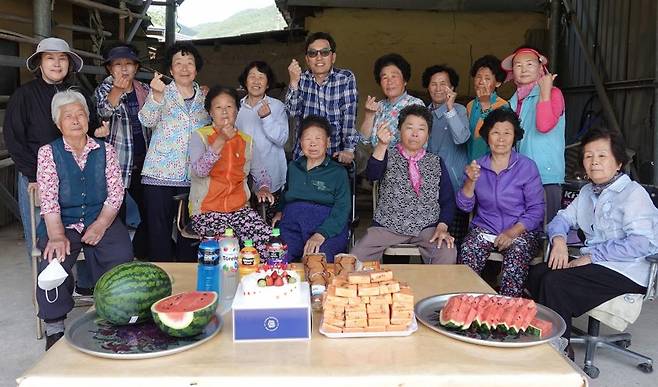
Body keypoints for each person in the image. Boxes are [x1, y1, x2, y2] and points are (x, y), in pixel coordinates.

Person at [528, 125, 658, 357]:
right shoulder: (588, 191)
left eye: (601, 156)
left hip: (626, 270)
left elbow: (643, 243)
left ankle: (560, 353)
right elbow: (562, 218)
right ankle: (547, 336)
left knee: (556, 283)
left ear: (618, 162)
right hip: (595, 265)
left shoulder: (632, 193)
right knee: (538, 273)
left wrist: (591, 256)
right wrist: (558, 240)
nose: (594, 162)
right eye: (588, 156)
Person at [3, 37, 102, 294]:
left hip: (77, 175)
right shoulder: (23, 96)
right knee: (41, 235)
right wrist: (33, 174)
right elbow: (14, 139)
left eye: (62, 58)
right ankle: (49, 293)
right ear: (40, 63)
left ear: (69, 63)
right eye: (50, 58)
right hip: (36, 176)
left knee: (82, 226)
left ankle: (84, 285)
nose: (57, 64)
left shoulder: (79, 95)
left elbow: (91, 128)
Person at [35, 90, 133, 350]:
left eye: (80, 114)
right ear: (58, 123)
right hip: (62, 222)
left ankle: (112, 315)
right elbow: (49, 199)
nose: (76, 120)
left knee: (120, 253)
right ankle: (55, 327)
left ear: (88, 119)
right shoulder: (48, 153)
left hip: (98, 216)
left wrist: (101, 224)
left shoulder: (105, 149)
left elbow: (115, 192)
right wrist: (56, 234)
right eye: (69, 116)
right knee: (52, 261)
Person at [350, 105, 457, 264]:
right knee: (356, 256)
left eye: (421, 129)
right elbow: (372, 174)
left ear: (428, 135)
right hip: (387, 226)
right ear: (400, 130)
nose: (415, 133)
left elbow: (448, 200)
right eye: (409, 127)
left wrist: (442, 227)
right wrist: (381, 145)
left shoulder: (436, 162)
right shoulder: (387, 154)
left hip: (427, 228)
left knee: (447, 253)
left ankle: (435, 289)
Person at [457, 108, 545, 297]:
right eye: (496, 132)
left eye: (507, 133)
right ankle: (467, 304)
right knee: (468, 248)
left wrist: (512, 232)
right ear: (487, 135)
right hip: (486, 228)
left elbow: (536, 210)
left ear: (515, 136)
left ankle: (508, 311)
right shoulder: (478, 166)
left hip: (521, 231)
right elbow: (464, 206)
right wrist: (470, 181)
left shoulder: (526, 166)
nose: (501, 138)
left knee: (517, 253)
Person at [138, 42, 210, 261]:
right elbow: (147, 120)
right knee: (158, 233)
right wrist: (156, 96)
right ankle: (165, 277)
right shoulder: (162, 92)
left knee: (191, 232)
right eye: (178, 63)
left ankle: (186, 279)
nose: (184, 68)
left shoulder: (206, 98)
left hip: (194, 177)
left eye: (189, 63)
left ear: (196, 69)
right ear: (170, 69)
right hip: (159, 174)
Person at [94, 44, 150, 258]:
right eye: (118, 64)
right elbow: (103, 110)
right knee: (116, 212)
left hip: (144, 160)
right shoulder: (104, 89)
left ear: (136, 67)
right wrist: (117, 90)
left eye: (129, 64)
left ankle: (141, 252)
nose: (124, 69)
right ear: (110, 69)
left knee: (148, 211)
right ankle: (118, 257)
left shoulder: (144, 89)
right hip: (115, 162)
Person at [271, 115, 350, 263]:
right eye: (307, 139)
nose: (312, 144)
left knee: (318, 261)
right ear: (300, 142)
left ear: (327, 142)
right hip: (292, 223)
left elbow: (342, 208)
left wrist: (321, 234)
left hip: (326, 224)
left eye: (318, 139)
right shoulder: (294, 167)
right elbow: (286, 193)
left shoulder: (338, 172)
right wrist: (280, 211)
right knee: (278, 257)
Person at [501, 46, 565, 222]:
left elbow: (544, 125)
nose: (523, 69)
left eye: (529, 64)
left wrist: (544, 93)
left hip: (546, 177)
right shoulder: (512, 102)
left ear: (540, 68)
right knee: (522, 234)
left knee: (545, 233)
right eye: (518, 65)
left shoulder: (554, 93)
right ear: (512, 72)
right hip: (517, 178)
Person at [286, 32, 358, 164]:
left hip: (335, 155)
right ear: (307, 59)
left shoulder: (345, 78)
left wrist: (348, 149)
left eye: (324, 52)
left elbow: (349, 116)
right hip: (304, 155)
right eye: (313, 53)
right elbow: (292, 112)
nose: (319, 57)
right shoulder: (301, 78)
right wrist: (294, 83)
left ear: (333, 57)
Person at [235, 61, 289, 223]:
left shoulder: (276, 106)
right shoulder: (236, 107)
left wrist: (267, 118)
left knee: (269, 225)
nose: (256, 81)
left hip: (271, 176)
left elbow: (281, 140)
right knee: (243, 226)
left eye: (261, 77)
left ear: (267, 84)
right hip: (241, 178)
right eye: (252, 76)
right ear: (245, 81)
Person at [360, 53, 425, 148]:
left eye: (394, 76)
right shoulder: (379, 106)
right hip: (378, 161)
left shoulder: (415, 105)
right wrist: (369, 115)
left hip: (404, 162)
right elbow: (364, 140)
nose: (389, 82)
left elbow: (419, 142)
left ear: (405, 80)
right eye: (384, 77)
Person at [466, 55, 508, 161]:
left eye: (487, 78)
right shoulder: (470, 105)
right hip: (471, 164)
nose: (481, 82)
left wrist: (485, 105)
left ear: (498, 83)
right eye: (478, 77)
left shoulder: (503, 106)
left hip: (491, 164)